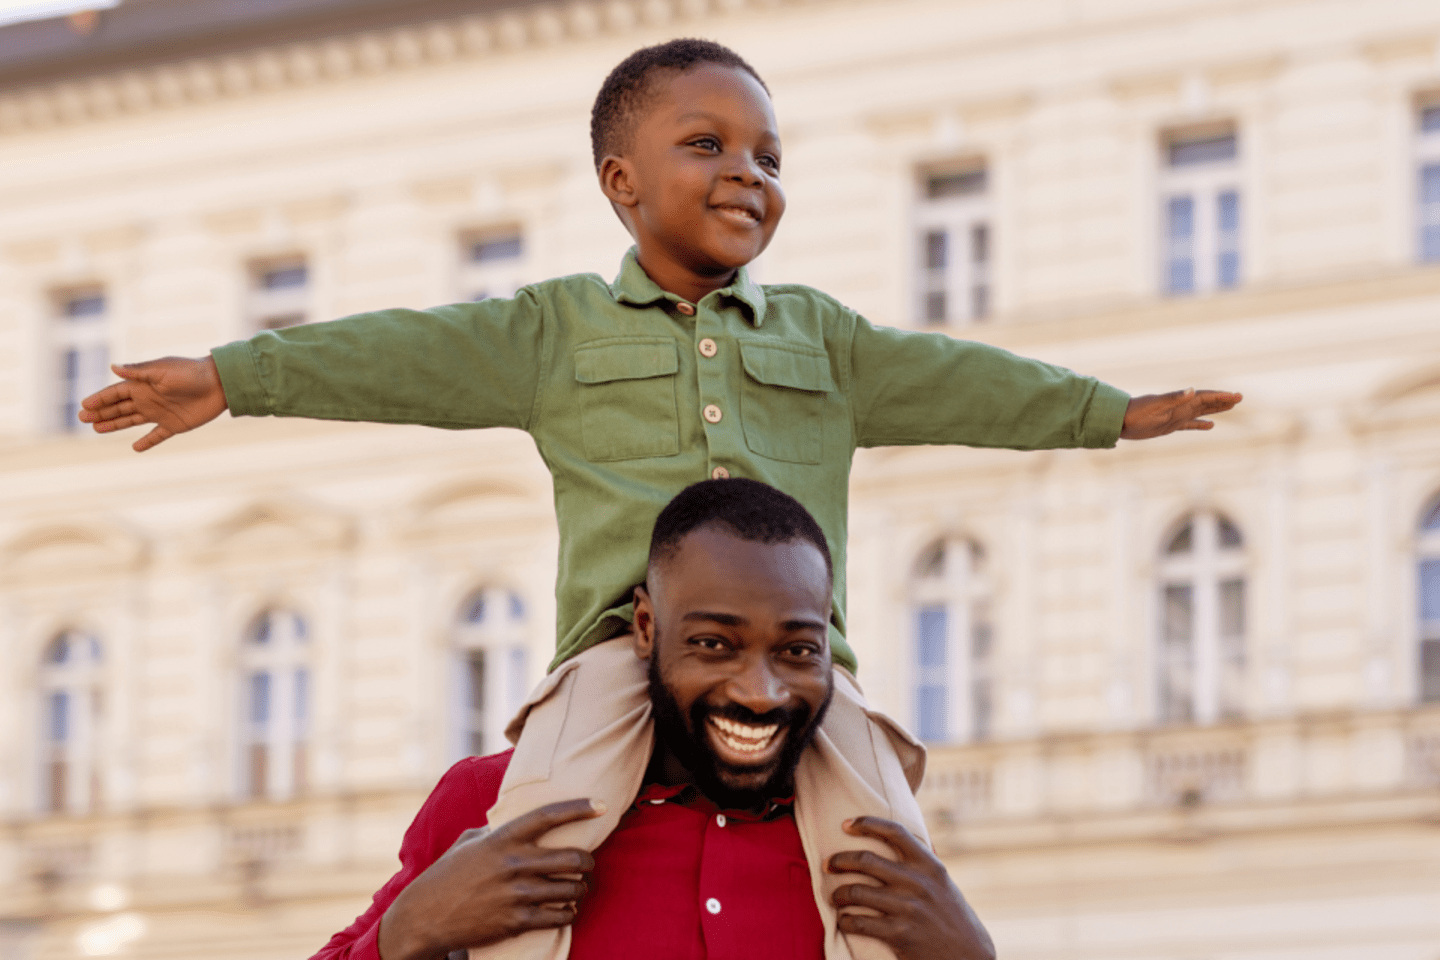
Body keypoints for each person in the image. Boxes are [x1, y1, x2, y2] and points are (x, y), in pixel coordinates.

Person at [78, 39, 1240, 960]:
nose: (748, 172)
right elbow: (400, 354)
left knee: (885, 849)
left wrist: (1108, 412)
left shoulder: (823, 340)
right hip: (614, 659)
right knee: (544, 834)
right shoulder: (554, 332)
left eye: (769, 156)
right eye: (708, 144)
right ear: (621, 182)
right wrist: (235, 376)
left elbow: (963, 380)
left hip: (813, 665)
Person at [314, 479, 996, 960]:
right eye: (714, 644)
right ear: (646, 627)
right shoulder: (497, 806)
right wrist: (408, 932)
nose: (761, 693)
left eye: (796, 651)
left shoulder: (875, 854)